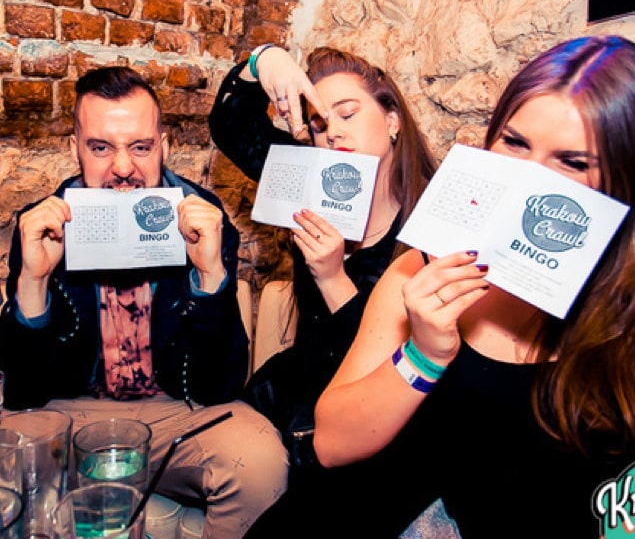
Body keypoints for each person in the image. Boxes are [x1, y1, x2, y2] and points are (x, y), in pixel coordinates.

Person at [297, 35, 635, 539]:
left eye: (572, 162)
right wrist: (423, 355)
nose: (528, 178)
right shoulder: (427, 263)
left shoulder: (623, 315)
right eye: (514, 143)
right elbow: (331, 441)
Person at [0, 66, 288, 539]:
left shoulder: (203, 221)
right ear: (74, 150)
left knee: (259, 459)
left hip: (174, 413)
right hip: (69, 410)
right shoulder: (44, 224)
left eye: (139, 146)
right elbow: (25, 394)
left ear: (164, 146)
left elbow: (220, 386)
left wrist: (211, 276)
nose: (122, 168)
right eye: (100, 147)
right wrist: (33, 281)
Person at [208, 46, 438, 469]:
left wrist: (333, 279)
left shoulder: (433, 224)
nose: (332, 132)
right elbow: (230, 125)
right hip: (293, 390)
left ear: (392, 120)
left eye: (348, 114)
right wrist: (265, 60)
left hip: (372, 416)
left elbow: (397, 367)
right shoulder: (308, 180)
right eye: (318, 124)